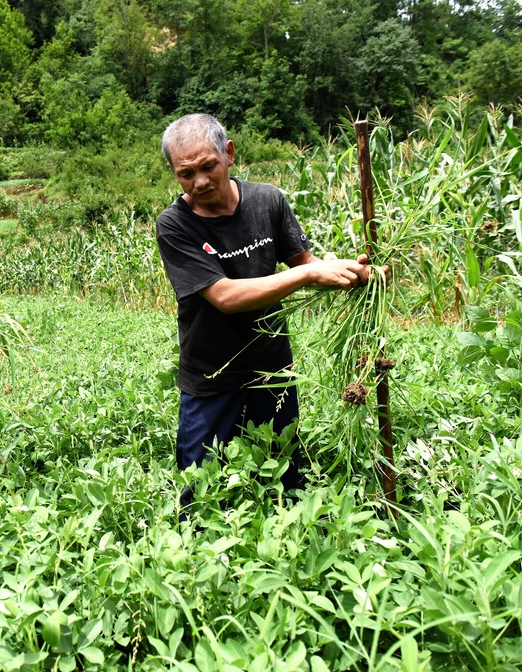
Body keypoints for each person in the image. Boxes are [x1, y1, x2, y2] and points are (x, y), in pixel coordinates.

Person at [155, 113, 370, 515]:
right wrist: (308, 273)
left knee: (284, 472)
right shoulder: (174, 225)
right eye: (186, 174)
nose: (199, 182)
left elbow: (306, 262)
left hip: (272, 367)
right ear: (173, 172)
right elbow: (225, 296)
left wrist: (357, 274)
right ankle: (194, 561)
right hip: (211, 375)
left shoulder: (267, 201)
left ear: (229, 153)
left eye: (208, 167)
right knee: (198, 491)